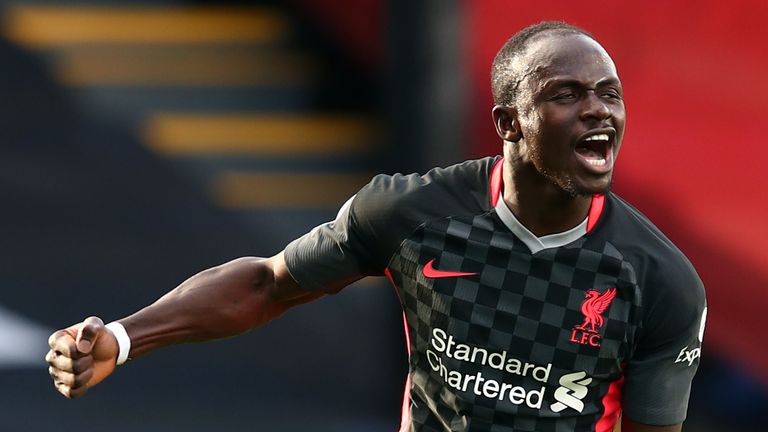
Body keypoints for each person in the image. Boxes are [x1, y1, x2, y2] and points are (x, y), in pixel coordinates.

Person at [46, 21, 707, 432]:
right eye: (568, 94)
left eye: (609, 94)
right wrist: (126, 339)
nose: (599, 113)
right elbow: (269, 284)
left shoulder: (657, 281)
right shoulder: (413, 212)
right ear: (509, 124)